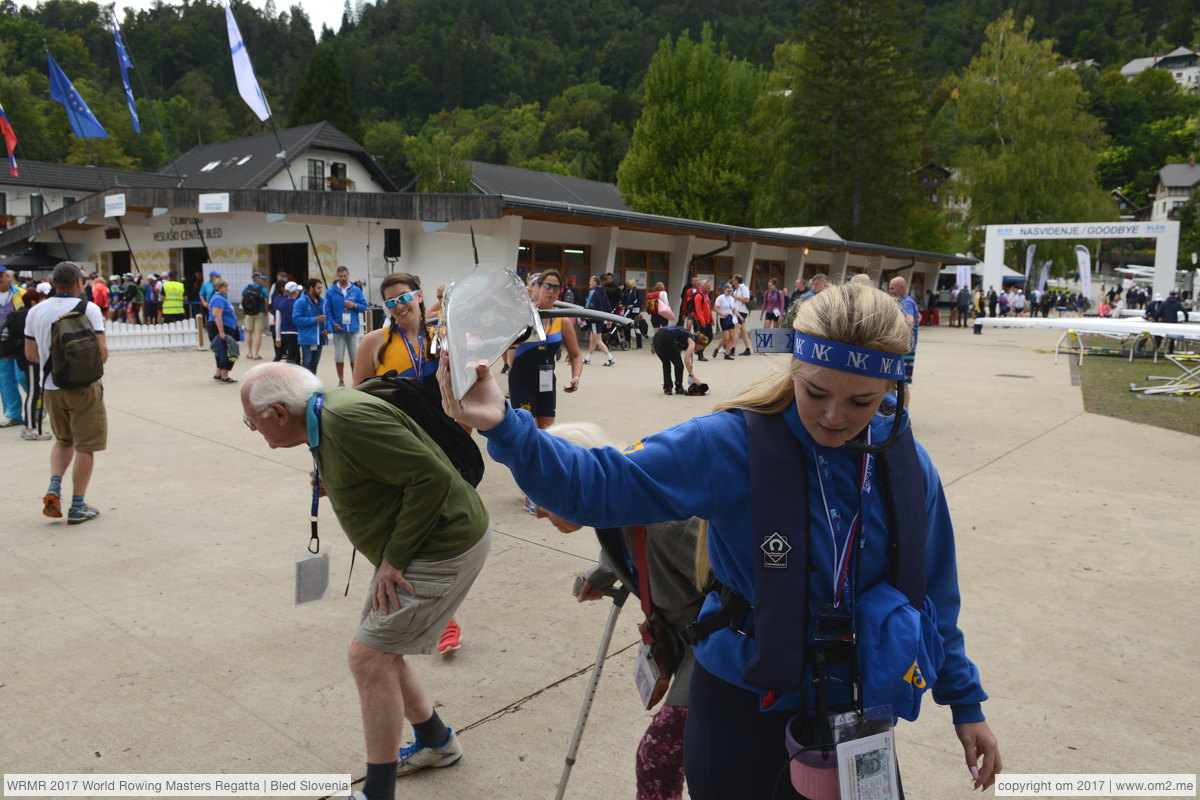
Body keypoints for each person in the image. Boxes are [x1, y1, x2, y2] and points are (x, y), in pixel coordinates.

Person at [440, 281, 1002, 799]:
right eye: (815, 392)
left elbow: (935, 592)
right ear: (794, 366)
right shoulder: (729, 446)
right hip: (742, 702)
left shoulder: (908, 464)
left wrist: (965, 702)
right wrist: (504, 426)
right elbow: (600, 485)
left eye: (862, 402)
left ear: (892, 388)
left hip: (859, 706)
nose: (834, 417)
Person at [240, 362, 490, 800]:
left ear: (279, 412)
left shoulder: (346, 420)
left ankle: (378, 794)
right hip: (426, 544)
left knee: (368, 659)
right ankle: (436, 743)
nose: (254, 430)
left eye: (251, 420)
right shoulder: (325, 416)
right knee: (382, 651)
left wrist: (394, 561)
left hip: (439, 547)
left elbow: (430, 478)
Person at [534, 421, 705, 800]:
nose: (538, 512)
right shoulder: (611, 506)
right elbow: (623, 535)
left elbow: (737, 585)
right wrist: (602, 570)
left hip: (717, 643)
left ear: (577, 485)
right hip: (692, 637)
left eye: (541, 497)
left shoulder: (667, 524)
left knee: (659, 756)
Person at [24, 261, 108, 525]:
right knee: (86, 446)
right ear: (77, 283)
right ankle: (78, 506)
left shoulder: (35, 311)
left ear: (53, 282)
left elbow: (30, 354)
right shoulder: (88, 309)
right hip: (83, 389)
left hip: (50, 387)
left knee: (63, 440)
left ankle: (54, 486)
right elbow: (102, 355)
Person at [506, 268, 584, 428]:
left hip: (547, 380)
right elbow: (507, 347)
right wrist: (510, 364)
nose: (551, 291)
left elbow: (576, 356)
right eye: (547, 286)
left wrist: (575, 377)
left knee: (548, 429)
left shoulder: (563, 321)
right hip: (521, 380)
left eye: (556, 287)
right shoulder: (523, 315)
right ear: (537, 287)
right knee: (529, 428)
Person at [353, 273, 439, 387]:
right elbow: (359, 394)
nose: (399, 306)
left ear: (419, 295)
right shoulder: (372, 341)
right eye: (391, 302)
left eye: (404, 297)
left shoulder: (440, 337)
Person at [7, 288, 52, 440]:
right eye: (40, 300)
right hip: (31, 359)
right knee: (33, 393)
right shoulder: (28, 315)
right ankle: (31, 428)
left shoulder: (21, 314)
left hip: (25, 359)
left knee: (34, 392)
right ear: (33, 302)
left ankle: (30, 426)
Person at [326, 266, 369, 387]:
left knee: (354, 356)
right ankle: (341, 380)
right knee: (339, 356)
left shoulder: (356, 290)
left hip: (353, 328)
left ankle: (355, 380)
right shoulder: (330, 291)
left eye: (345, 276)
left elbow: (364, 306)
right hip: (338, 329)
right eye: (340, 276)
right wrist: (333, 324)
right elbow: (328, 310)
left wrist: (354, 305)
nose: (343, 278)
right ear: (337, 276)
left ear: (348, 275)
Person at [0, 265, 27, 427]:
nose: (0, 279)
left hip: (20, 342)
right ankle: (14, 414)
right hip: (1, 344)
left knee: (22, 376)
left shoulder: (21, 294)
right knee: (5, 379)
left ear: (9, 277)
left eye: (2, 275)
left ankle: (37, 406)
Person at [652, 325, 708, 395]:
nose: (700, 350)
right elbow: (686, 359)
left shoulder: (685, 336)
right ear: (699, 343)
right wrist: (692, 376)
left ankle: (667, 388)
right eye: (701, 348)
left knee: (666, 364)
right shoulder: (692, 341)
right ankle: (679, 388)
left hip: (656, 337)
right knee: (679, 366)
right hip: (666, 336)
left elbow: (676, 352)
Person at [888, 276, 920, 390]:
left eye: (892, 289)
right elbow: (918, 317)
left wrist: (900, 338)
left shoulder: (906, 302)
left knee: (902, 384)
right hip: (908, 348)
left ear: (901, 287)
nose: (890, 292)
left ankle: (902, 408)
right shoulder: (909, 301)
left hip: (906, 349)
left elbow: (910, 320)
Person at [208, 278, 240, 384]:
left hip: (226, 327)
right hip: (221, 327)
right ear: (219, 288)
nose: (227, 288)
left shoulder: (221, 298)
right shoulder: (218, 299)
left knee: (222, 350)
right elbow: (217, 315)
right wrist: (221, 331)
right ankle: (224, 376)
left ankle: (219, 373)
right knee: (226, 350)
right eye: (224, 287)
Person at [292, 278, 327, 374]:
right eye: (318, 288)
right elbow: (296, 319)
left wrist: (327, 328)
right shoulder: (301, 302)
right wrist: (315, 319)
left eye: (321, 288)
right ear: (311, 288)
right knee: (307, 363)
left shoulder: (322, 302)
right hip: (307, 338)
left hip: (320, 338)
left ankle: (312, 384)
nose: (320, 290)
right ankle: (304, 385)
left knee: (315, 363)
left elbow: (326, 317)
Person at [583, 275, 615, 366]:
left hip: (594, 319)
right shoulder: (602, 292)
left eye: (590, 281)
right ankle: (587, 358)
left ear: (595, 282)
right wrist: (609, 319)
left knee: (597, 340)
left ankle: (610, 357)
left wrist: (582, 317)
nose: (589, 282)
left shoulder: (593, 292)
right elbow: (608, 306)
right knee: (592, 339)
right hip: (600, 318)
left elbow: (588, 306)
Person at [240, 273, 271, 361]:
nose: (263, 280)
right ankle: (256, 354)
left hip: (249, 313)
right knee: (258, 333)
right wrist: (265, 311)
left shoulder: (247, 288)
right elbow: (266, 301)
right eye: (262, 278)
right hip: (260, 312)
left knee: (249, 332)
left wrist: (246, 309)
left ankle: (249, 352)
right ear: (257, 279)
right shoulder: (263, 289)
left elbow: (242, 300)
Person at [273, 281, 301, 364]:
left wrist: (278, 338)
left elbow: (278, 322)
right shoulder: (298, 303)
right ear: (296, 292)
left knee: (292, 355)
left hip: (284, 333)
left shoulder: (281, 304)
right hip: (295, 333)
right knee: (293, 358)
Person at [712, 283, 737, 360]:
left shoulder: (732, 299)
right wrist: (722, 314)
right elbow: (716, 308)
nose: (729, 292)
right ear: (724, 290)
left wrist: (738, 316)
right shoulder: (720, 298)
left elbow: (733, 309)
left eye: (730, 290)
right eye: (728, 290)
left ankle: (727, 354)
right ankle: (717, 348)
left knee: (731, 336)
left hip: (730, 318)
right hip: (722, 319)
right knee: (726, 337)